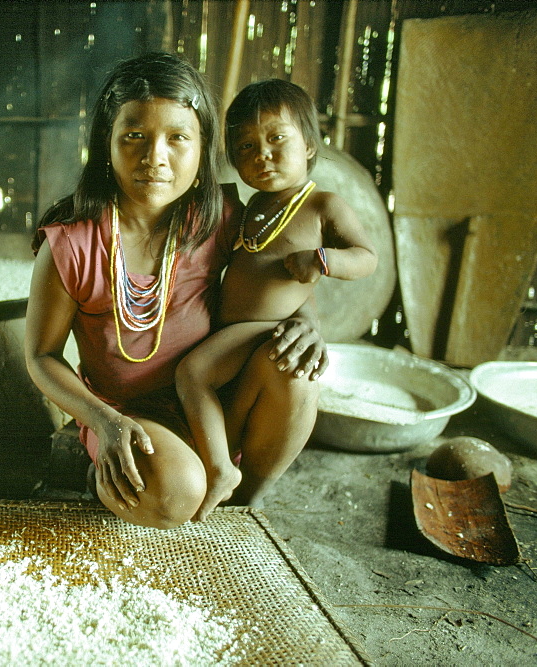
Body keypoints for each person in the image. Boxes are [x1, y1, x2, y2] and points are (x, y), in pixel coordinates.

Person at [24, 53, 327, 530]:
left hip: (210, 407)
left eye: (178, 138)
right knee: (175, 492)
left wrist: (307, 326)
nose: (155, 158)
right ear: (108, 141)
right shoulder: (72, 242)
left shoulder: (218, 218)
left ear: (203, 145)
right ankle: (114, 471)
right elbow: (41, 355)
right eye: (135, 137)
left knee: (296, 371)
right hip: (127, 418)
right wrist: (103, 420)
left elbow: (281, 280)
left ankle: (241, 506)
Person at [175, 79, 378, 520]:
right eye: (245, 146)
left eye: (276, 139)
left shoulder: (324, 205)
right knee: (207, 388)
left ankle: (226, 473)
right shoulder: (249, 209)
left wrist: (322, 259)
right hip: (232, 331)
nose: (261, 154)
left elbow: (366, 258)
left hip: (266, 330)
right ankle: (221, 466)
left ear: (309, 144)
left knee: (192, 374)